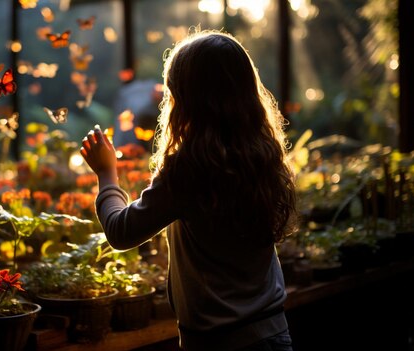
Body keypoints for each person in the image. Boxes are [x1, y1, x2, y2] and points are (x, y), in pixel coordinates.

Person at [80, 29, 297, 350]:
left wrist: (106, 172)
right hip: (273, 334)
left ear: (185, 101)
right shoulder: (263, 155)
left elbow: (121, 232)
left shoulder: (190, 167)